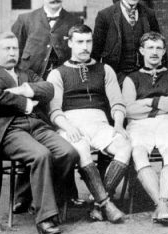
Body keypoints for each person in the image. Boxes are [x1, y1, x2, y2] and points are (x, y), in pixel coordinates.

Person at [0, 32, 78, 234]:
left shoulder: (26, 74)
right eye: (7, 49)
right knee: (41, 155)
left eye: (15, 49)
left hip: (37, 126)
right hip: (9, 130)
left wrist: (23, 90)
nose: (12, 53)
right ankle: (45, 218)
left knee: (69, 153)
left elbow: (48, 89)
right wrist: (26, 104)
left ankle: (47, 200)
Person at [10, 0, 83, 213]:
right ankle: (23, 195)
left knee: (63, 140)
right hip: (31, 92)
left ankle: (67, 193)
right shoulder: (25, 20)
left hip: (62, 92)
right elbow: (14, 57)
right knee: (31, 142)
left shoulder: (74, 20)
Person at [48, 24, 132, 223]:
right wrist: (68, 127)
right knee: (81, 149)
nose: (85, 47)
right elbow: (54, 111)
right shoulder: (57, 73)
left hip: (100, 123)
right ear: (70, 43)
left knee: (125, 145)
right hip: (71, 124)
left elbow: (117, 102)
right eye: (79, 42)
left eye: (88, 41)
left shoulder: (105, 69)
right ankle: (107, 205)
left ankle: (98, 204)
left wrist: (118, 124)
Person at [122, 32, 168, 224]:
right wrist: (161, 103)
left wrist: (148, 102)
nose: (154, 52)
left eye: (158, 48)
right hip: (139, 125)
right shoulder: (131, 79)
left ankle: (162, 204)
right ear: (141, 51)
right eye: (150, 48)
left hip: (167, 121)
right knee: (139, 153)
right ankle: (164, 205)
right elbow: (129, 110)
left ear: (164, 50)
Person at [92, 0, 161, 83]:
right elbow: (95, 53)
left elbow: (160, 45)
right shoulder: (105, 16)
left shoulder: (149, 14)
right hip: (116, 78)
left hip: (145, 77)